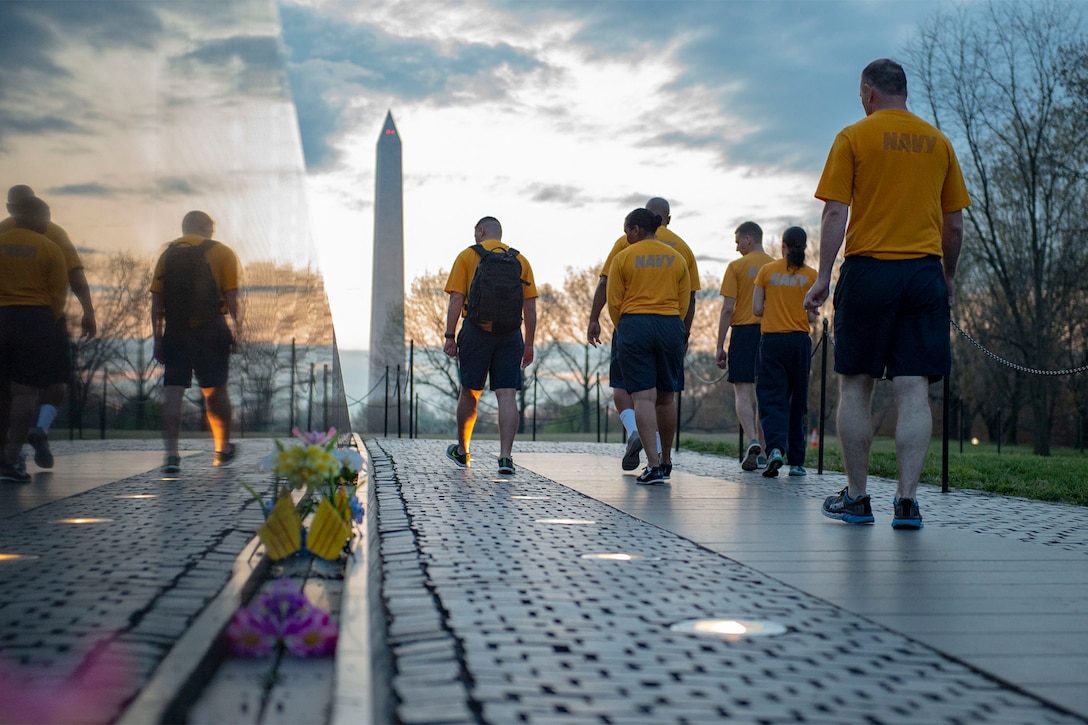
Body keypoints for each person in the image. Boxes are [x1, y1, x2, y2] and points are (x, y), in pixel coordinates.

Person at [803, 58, 971, 529]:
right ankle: (907, 502)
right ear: (905, 92)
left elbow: (835, 213)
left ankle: (857, 499)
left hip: (869, 270)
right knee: (914, 388)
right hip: (922, 274)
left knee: (856, 384)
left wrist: (822, 276)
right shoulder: (939, 143)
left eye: (861, 95)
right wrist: (948, 275)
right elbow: (954, 224)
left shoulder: (854, 137)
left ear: (869, 92)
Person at [587, 197, 699, 472]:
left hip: (634, 324)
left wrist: (622, 324)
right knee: (667, 396)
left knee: (643, 397)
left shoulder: (624, 253)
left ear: (637, 229)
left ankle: (652, 464)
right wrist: (679, 328)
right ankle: (666, 460)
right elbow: (687, 298)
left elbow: (613, 297)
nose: (626, 235)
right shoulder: (679, 255)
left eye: (628, 231)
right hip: (671, 324)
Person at [0, 185, 97, 469]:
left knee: (4, 390)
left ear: (11, 209)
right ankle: (28, 440)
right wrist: (85, 311)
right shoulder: (52, 239)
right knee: (32, 389)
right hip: (39, 320)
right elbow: (64, 286)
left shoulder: (2, 232)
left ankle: (7, 453)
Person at [443, 216, 537, 475]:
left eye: (476, 232)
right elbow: (530, 307)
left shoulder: (467, 256)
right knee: (507, 395)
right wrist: (528, 344)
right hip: (510, 334)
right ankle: (506, 457)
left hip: (476, 330)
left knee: (470, 391)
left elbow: (456, 299)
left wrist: (449, 336)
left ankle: (463, 451)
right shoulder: (520, 260)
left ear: (481, 231)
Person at [150, 211, 242, 475]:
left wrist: (158, 337)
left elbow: (156, 303)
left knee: (173, 391)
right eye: (210, 227)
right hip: (211, 328)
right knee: (215, 390)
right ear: (204, 227)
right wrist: (237, 331)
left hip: (176, 330)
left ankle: (170, 455)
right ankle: (222, 448)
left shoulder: (167, 255)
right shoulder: (223, 252)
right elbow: (232, 296)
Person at [0, 197, 67, 482]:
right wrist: (45, 322)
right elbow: (58, 297)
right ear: (36, 216)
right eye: (46, 216)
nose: (47, 222)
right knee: (24, 392)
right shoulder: (50, 248)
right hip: (35, 319)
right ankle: (11, 459)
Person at [753, 226, 817, 478]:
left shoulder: (767, 271)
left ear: (783, 245)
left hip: (772, 341)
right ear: (805, 246)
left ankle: (776, 449)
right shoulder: (811, 276)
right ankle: (798, 461)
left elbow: (757, 309)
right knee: (797, 400)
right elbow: (812, 316)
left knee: (771, 399)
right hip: (799, 341)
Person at [716, 221, 773, 471]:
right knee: (765, 392)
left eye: (738, 241)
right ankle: (764, 449)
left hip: (743, 331)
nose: (737, 247)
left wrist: (719, 345)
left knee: (743, 391)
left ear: (749, 239)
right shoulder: (775, 266)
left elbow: (728, 308)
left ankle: (752, 440)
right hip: (770, 332)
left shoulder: (736, 267)